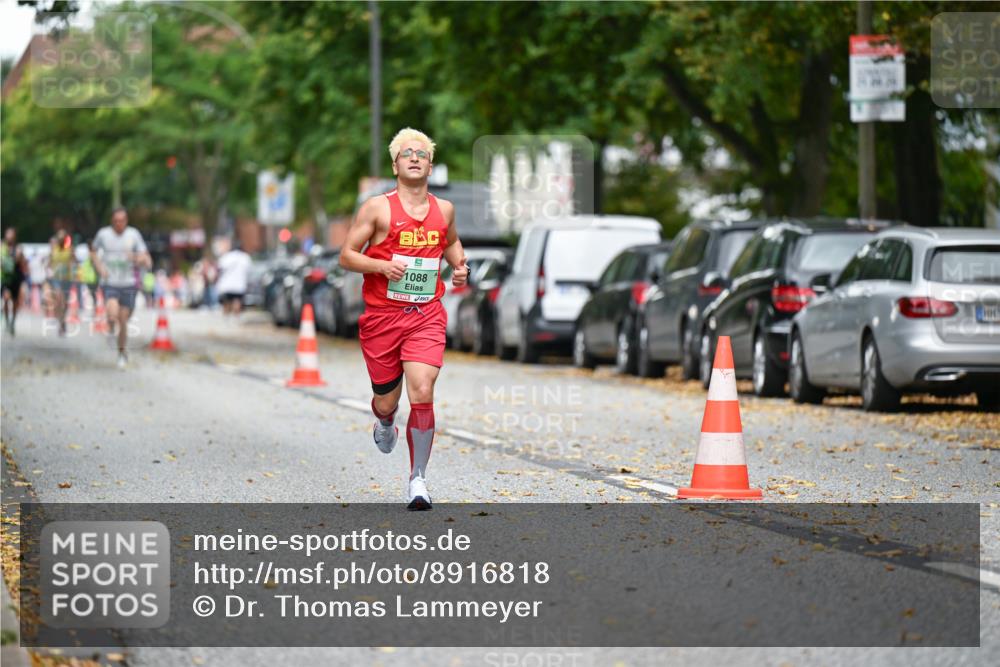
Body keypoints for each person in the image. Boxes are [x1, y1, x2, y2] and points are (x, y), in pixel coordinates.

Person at [340, 128, 469, 510]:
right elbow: (346, 255)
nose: (415, 157)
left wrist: (460, 267)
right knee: (386, 399)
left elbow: (451, 243)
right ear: (395, 165)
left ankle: (418, 480)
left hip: (426, 315)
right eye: (407, 153)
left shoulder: (444, 210)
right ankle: (384, 420)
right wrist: (381, 266)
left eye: (422, 153)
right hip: (382, 317)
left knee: (423, 391)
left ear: (430, 165)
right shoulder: (377, 208)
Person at [91, 207, 152, 368]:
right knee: (113, 314)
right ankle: (110, 326)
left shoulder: (133, 234)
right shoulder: (103, 234)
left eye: (122, 220)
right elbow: (93, 252)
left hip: (129, 283)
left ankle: (122, 352)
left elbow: (145, 257)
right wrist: (99, 267)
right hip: (110, 282)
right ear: (112, 221)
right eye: (116, 221)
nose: (119, 224)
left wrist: (138, 259)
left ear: (126, 220)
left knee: (123, 319)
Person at [47, 228, 76, 336]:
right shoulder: (53, 249)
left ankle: (62, 321)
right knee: (59, 298)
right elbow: (49, 262)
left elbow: (74, 262)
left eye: (62, 238)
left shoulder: (69, 250)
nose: (61, 239)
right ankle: (60, 322)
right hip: (56, 279)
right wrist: (47, 268)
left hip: (67, 279)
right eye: (59, 237)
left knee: (65, 303)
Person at [1, 228, 28, 336]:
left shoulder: (18, 249)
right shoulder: (2, 247)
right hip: (5, 278)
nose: (9, 237)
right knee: (6, 299)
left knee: (15, 302)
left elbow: (23, 264)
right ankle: (7, 322)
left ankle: (13, 322)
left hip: (16, 278)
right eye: (8, 234)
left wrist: (19, 258)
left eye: (11, 234)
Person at [216, 242, 252, 317]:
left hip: (226, 284)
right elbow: (249, 271)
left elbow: (219, 268)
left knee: (227, 301)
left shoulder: (227, 256)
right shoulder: (245, 257)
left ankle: (226, 317)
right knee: (237, 301)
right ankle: (236, 317)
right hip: (239, 284)